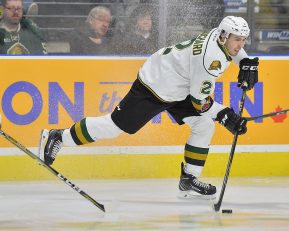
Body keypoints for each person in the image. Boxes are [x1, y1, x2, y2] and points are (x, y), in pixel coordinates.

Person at [39, 16, 259, 199]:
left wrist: (245, 62)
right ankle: (59, 137)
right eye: (237, 39)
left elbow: (233, 51)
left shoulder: (219, 35)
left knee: (203, 126)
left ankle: (189, 180)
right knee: (114, 127)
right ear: (224, 36)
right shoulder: (210, 60)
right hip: (155, 85)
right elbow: (199, 102)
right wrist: (225, 115)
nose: (240, 45)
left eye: (244, 40)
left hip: (179, 82)